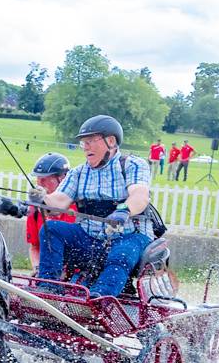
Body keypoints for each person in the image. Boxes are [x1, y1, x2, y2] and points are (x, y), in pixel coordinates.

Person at [33, 115, 154, 298]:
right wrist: (42, 198)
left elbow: (140, 195)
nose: (85, 147)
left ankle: (99, 298)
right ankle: (48, 289)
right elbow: (59, 201)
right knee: (51, 229)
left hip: (129, 236)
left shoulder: (133, 165)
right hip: (89, 238)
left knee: (121, 254)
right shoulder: (78, 173)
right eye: (84, 142)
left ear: (110, 141)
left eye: (90, 141)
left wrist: (123, 211)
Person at [25, 154, 77, 273]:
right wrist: (37, 269)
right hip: (48, 272)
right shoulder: (34, 209)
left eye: (44, 179)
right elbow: (35, 247)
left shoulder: (78, 208)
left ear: (62, 179)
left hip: (76, 272)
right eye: (38, 178)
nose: (39, 183)